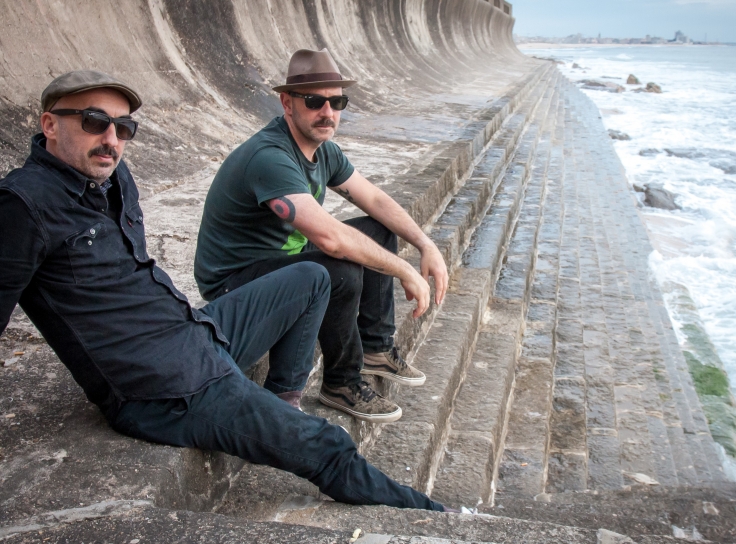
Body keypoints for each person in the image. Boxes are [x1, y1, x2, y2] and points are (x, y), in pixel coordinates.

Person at [0, 70, 447, 512]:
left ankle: (282, 401)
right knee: (326, 443)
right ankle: (436, 519)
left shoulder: (112, 179)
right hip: (164, 388)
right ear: (50, 125)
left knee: (312, 278)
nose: (112, 140)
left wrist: (424, 245)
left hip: (193, 332)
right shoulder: (23, 206)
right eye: (95, 122)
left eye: (124, 127)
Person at [194, 49, 450, 423]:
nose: (327, 112)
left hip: (280, 262)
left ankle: (376, 350)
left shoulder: (324, 151)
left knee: (377, 232)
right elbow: (331, 240)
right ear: (287, 103)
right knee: (339, 269)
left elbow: (375, 199)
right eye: (314, 101)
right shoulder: (270, 156)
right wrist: (404, 270)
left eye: (337, 101)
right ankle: (340, 383)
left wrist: (426, 245)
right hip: (236, 283)